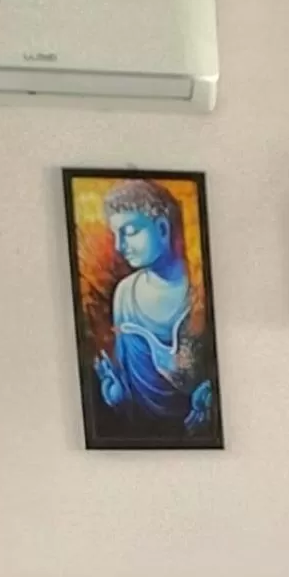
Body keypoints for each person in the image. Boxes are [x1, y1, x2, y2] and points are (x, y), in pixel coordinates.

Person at [94, 179, 215, 438]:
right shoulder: (125, 294)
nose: (119, 246)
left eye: (129, 231)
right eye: (116, 235)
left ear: (162, 228)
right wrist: (118, 396)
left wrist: (209, 398)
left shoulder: (199, 290)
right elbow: (130, 382)